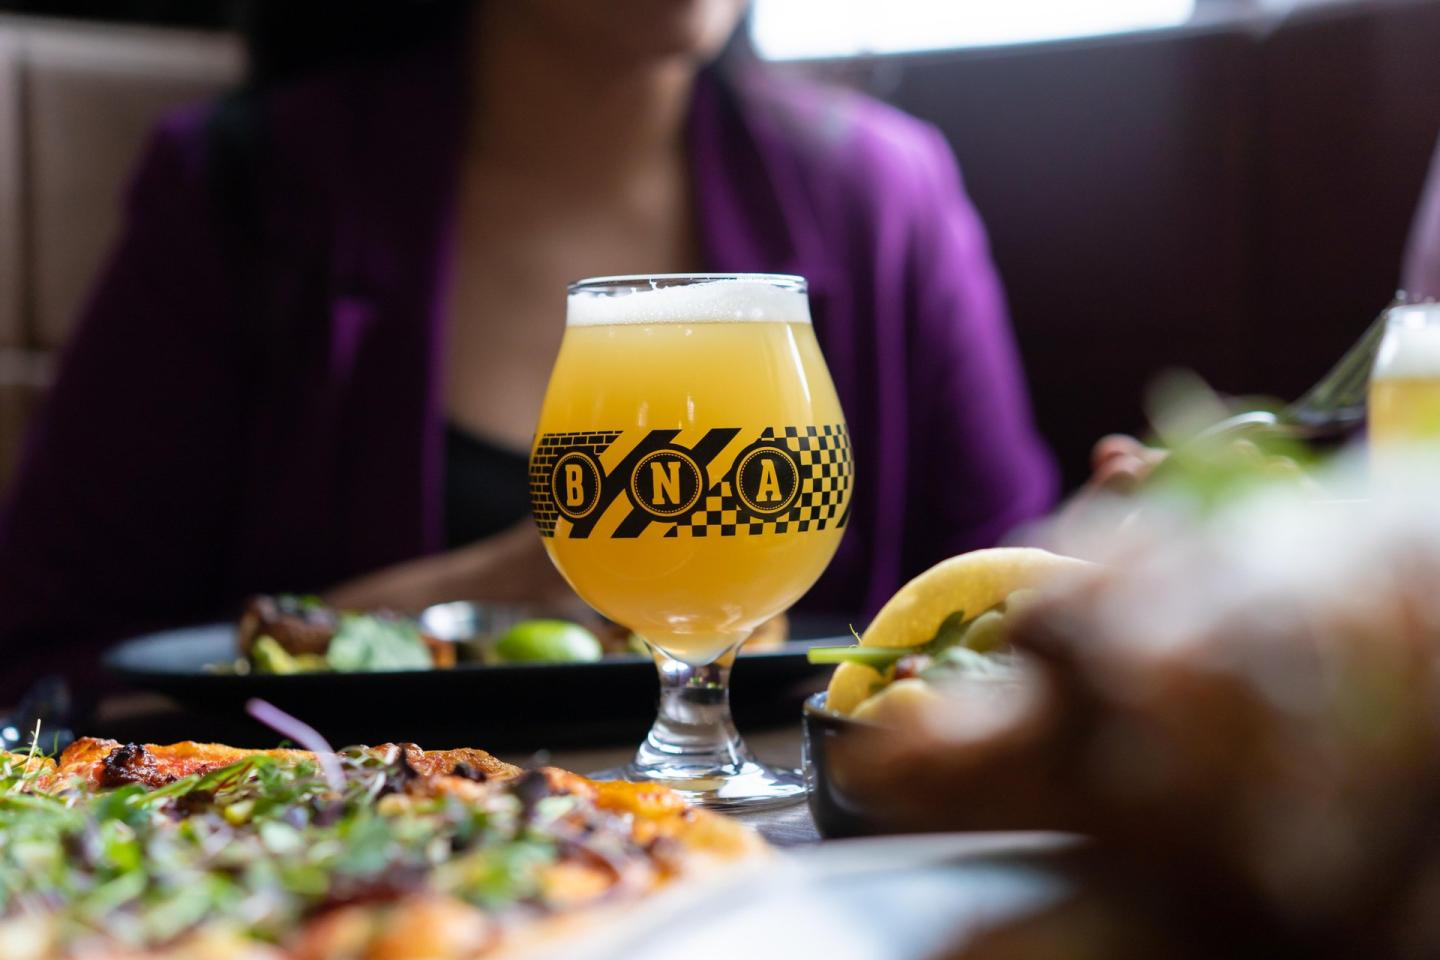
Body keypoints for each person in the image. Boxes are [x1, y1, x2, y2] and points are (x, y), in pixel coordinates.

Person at [0, 1, 1057, 703]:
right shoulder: (243, 194)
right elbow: (47, 662)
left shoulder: (883, 197)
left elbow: (1010, 609)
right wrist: (478, 596)